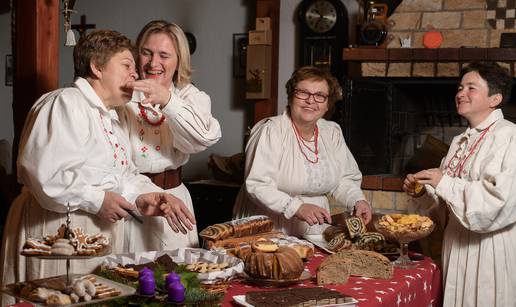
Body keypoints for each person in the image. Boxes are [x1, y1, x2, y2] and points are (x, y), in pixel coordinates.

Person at [0, 29, 195, 304]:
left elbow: (122, 175)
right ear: (96, 66)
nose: (136, 75)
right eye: (127, 65)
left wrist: (144, 196)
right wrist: (98, 199)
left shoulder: (110, 117)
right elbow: (45, 175)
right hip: (54, 230)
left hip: (91, 233)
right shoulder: (66, 103)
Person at [403, 62, 516, 307]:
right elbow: (443, 204)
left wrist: (443, 182)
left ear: (494, 98)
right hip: (455, 243)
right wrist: (423, 191)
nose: (460, 93)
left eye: (471, 88)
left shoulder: (510, 137)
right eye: (460, 87)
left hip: (489, 247)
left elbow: (499, 201)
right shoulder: (458, 142)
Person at [233, 66, 372, 236]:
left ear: (327, 104)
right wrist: (296, 207)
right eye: (303, 93)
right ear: (291, 96)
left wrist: (358, 200)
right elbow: (258, 184)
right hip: (269, 223)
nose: (311, 101)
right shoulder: (271, 130)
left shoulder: (331, 132)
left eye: (320, 96)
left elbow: (344, 179)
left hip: (315, 225)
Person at [119, 20, 221, 250]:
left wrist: (168, 101)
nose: (154, 63)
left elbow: (202, 138)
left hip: (174, 199)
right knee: (129, 276)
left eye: (164, 55)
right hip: (131, 197)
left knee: (179, 278)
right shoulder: (121, 98)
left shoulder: (190, 97)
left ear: (179, 61)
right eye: (146, 53)